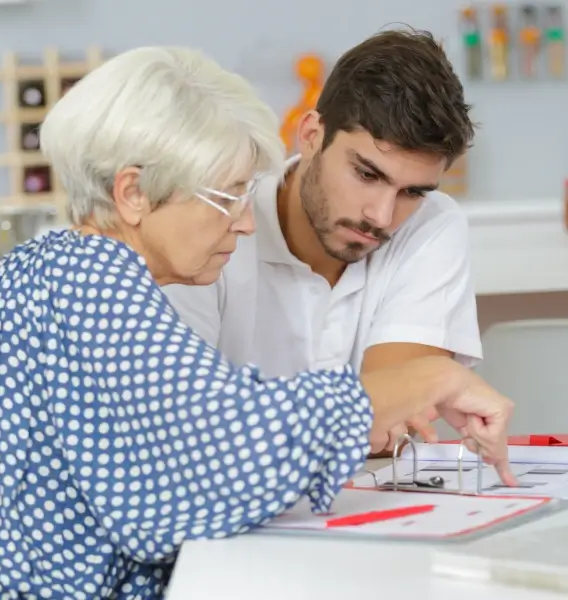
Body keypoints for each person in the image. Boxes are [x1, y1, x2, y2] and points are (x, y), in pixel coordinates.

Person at [0, 46, 514, 600]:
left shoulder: (43, 269)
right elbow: (221, 458)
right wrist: (431, 380)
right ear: (132, 193)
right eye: (228, 196)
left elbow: (191, 437)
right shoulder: (95, 281)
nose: (247, 222)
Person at [163, 29, 481, 453]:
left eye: (412, 192)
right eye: (367, 174)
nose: (381, 217)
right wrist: (364, 412)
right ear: (311, 134)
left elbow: (389, 430)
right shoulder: (216, 219)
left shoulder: (433, 223)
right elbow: (187, 429)